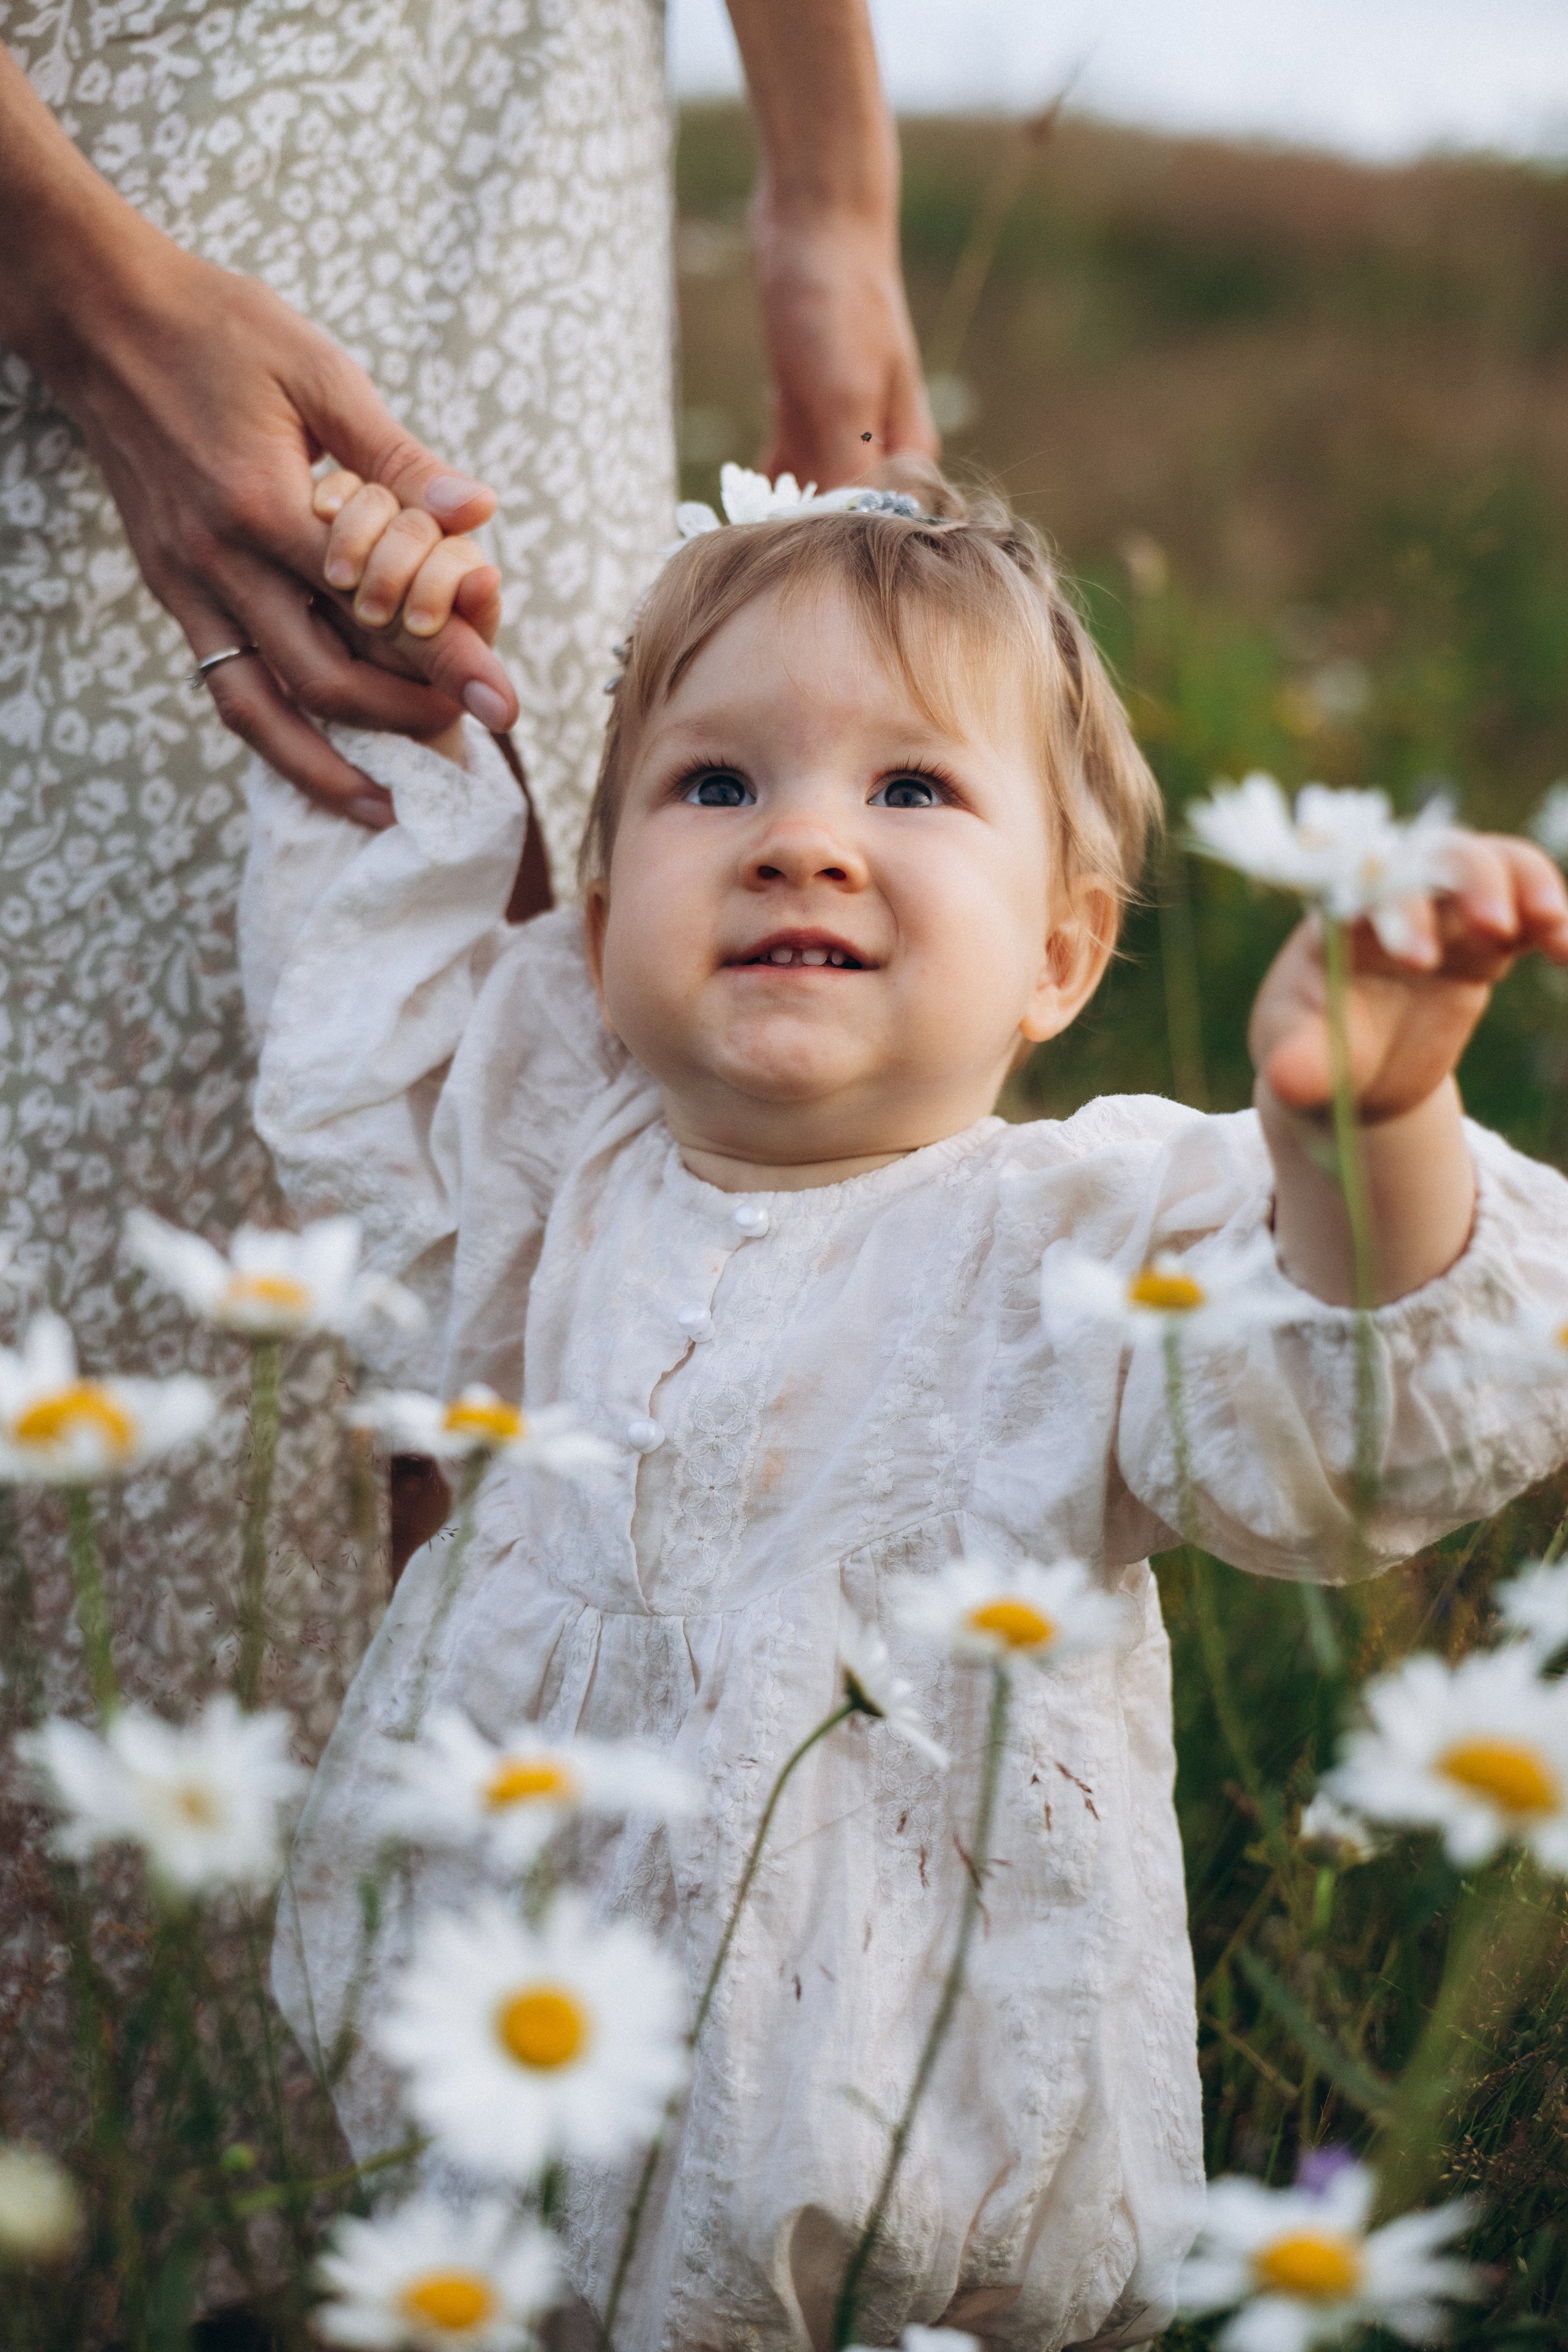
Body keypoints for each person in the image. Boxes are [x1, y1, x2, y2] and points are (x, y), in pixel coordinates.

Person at [244, 469, 1568, 2348]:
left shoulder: (1082, 1239)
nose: (800, 842)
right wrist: (396, 673)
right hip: (505, 2135)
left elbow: (1339, 1434)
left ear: (1060, 953)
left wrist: (1359, 1136)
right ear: (605, 924)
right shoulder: (559, 1172)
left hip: (905, 2191)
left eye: (911, 788)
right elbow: (368, 993)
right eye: (720, 784)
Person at [0, 0, 931, 1869]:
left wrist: (829, 190)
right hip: (85, 132)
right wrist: (76, 288)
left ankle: (374, 2004)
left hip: (520, 156)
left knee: (517, 1146)